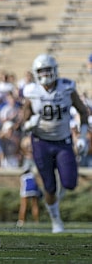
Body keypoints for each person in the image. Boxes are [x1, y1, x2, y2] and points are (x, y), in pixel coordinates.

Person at [22, 53, 90, 233]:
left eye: (47, 69)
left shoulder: (67, 87)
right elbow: (23, 122)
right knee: (49, 186)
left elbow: (83, 112)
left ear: (55, 70)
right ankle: (55, 219)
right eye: (41, 70)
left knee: (69, 182)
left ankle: (55, 206)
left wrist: (82, 136)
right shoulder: (31, 92)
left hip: (63, 141)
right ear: (36, 73)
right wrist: (29, 124)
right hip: (41, 142)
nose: (45, 74)